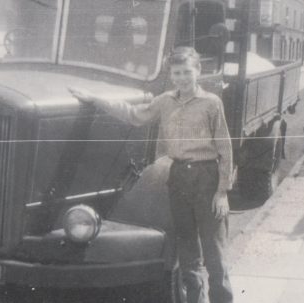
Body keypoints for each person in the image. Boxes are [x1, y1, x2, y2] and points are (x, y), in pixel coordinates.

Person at [68, 46, 234, 303]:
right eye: (177, 73)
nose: (182, 78)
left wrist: (222, 192)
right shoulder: (165, 101)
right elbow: (135, 115)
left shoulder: (212, 103)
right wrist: (95, 99)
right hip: (178, 176)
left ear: (198, 71)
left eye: (187, 72)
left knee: (215, 254)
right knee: (188, 252)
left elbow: (224, 147)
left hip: (207, 178)